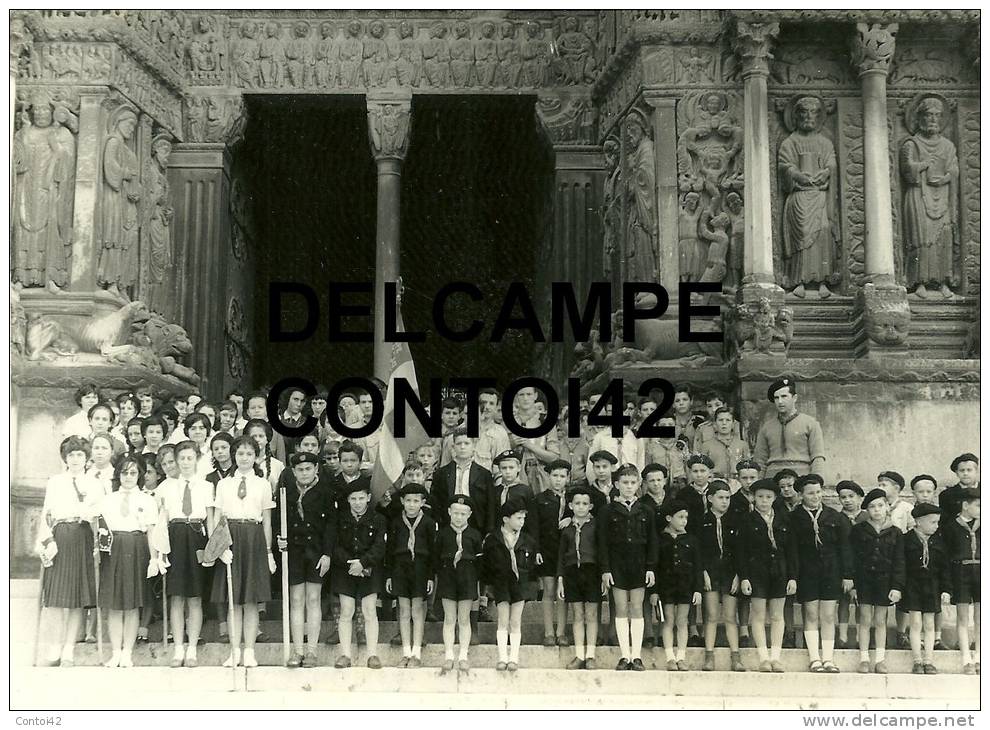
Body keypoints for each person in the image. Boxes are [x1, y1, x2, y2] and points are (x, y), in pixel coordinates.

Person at [36, 436, 107, 666]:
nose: (75, 459)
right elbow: (46, 513)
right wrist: (47, 541)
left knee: (77, 597)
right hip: (60, 534)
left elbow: (99, 514)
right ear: (65, 458)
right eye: (71, 455)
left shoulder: (95, 483)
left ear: (86, 459)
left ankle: (68, 649)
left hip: (83, 535)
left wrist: (97, 542)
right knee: (57, 598)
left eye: (79, 455)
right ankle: (55, 647)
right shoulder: (56, 482)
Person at [211, 435, 276, 669]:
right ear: (233, 456)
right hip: (231, 537)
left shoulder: (263, 484)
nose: (245, 458)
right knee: (233, 599)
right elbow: (218, 519)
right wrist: (220, 547)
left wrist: (268, 552)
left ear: (256, 456)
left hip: (254, 537)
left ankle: (249, 651)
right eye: (240, 454)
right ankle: (234, 651)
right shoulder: (223, 484)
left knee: (250, 600)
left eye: (249, 454)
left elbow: (267, 521)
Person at [97, 455, 163, 668]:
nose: (128, 477)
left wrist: (154, 558)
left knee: (133, 604)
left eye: (133, 473)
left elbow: (151, 530)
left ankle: (127, 652)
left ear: (140, 476)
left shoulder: (147, 500)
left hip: (136, 548)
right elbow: (100, 528)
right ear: (118, 475)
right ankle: (116, 652)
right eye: (124, 473)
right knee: (115, 604)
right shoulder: (108, 499)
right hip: (114, 550)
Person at [275, 452, 335, 668]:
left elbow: (331, 526)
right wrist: (279, 541)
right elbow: (277, 523)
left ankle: (312, 651)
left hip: (316, 553)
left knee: (313, 599)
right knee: (296, 600)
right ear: (293, 472)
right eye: (300, 469)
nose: (304, 473)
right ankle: (297, 651)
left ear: (316, 469)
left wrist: (327, 554)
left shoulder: (326, 493)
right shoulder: (285, 492)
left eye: (308, 468)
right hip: (294, 553)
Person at [158, 440, 214, 668]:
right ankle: (178, 648)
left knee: (195, 596)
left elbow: (210, 519)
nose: (186, 462)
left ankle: (192, 649)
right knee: (177, 595)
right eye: (181, 458)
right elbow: (161, 522)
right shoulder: (166, 487)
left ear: (197, 459)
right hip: (175, 536)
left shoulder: (206, 486)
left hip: (197, 536)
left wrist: (211, 548)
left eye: (190, 458)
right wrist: (161, 551)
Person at [790, 473, 852, 673]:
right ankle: (814, 658)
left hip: (830, 572)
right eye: (810, 493)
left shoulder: (835, 517)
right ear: (800, 494)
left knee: (827, 615)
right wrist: (794, 576)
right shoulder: (794, 517)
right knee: (810, 615)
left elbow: (845, 547)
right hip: (807, 573)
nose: (816, 496)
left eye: (818, 492)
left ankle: (828, 658)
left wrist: (847, 575)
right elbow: (791, 550)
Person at [598, 463, 658, 671]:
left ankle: (637, 656)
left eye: (633, 482)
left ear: (639, 484)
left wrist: (650, 567)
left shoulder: (646, 511)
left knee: (637, 608)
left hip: (639, 566)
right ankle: (625, 656)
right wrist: (605, 569)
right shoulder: (607, 511)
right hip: (617, 566)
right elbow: (603, 543)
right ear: (617, 484)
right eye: (625, 482)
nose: (629, 486)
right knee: (621, 608)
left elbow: (652, 541)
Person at [738, 478, 798, 673]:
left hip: (779, 572)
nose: (764, 501)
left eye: (768, 497)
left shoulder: (784, 519)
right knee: (758, 614)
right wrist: (744, 577)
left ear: (775, 498)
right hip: (757, 572)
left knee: (777, 615)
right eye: (760, 497)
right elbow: (742, 552)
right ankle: (763, 657)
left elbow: (791, 551)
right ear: (753, 498)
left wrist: (792, 577)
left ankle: (776, 657)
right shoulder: (747, 520)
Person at [850, 488, 905, 675]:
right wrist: (854, 585)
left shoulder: (896, 532)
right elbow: (853, 559)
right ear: (867, 510)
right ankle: (864, 658)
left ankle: (880, 659)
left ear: (887, 507)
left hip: (885, 582)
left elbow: (899, 561)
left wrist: (896, 586)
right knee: (865, 618)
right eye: (872, 507)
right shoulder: (858, 530)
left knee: (881, 620)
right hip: (864, 581)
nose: (876, 510)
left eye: (880, 505)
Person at [332, 479, 386, 669]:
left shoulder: (378, 519)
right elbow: (335, 545)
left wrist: (363, 563)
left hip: (369, 569)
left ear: (368, 498)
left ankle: (372, 655)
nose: (357, 502)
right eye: (353, 498)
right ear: (348, 499)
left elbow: (380, 546)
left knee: (370, 610)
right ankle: (345, 654)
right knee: (346, 611)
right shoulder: (340, 518)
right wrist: (351, 564)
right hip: (345, 569)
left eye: (361, 498)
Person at [483, 499, 538, 671]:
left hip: (519, 585)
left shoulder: (527, 540)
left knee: (515, 621)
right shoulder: (493, 539)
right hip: (501, 584)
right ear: (506, 519)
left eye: (523, 519)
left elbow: (531, 567)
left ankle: (513, 658)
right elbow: (487, 565)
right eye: (518, 518)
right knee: (503, 620)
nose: (522, 522)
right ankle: (502, 657)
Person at [385, 483, 436, 668]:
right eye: (408, 501)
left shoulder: (429, 523)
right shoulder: (396, 522)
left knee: (417, 610)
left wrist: (430, 576)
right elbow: (389, 550)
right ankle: (406, 652)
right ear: (402, 501)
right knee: (404, 610)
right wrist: (390, 575)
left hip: (421, 569)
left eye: (416, 501)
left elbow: (433, 552)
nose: (412, 505)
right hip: (400, 568)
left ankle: (417, 653)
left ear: (423, 502)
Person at [698, 480, 745, 672]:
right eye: (720, 498)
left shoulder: (735, 521)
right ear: (710, 499)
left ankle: (736, 657)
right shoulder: (701, 521)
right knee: (711, 615)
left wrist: (738, 575)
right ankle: (709, 656)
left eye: (727, 498)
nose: (725, 502)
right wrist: (703, 573)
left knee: (730, 616)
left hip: (729, 573)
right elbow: (698, 551)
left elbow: (740, 552)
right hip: (710, 572)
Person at [434, 494, 483, 672]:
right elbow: (436, 560)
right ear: (449, 512)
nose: (459, 517)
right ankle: (448, 655)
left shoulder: (475, 535)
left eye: (463, 514)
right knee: (449, 618)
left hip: (467, 578)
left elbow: (480, 563)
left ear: (469, 514)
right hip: (448, 578)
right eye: (455, 513)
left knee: (464, 619)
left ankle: (463, 655)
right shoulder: (442, 534)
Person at [556, 485, 602, 670]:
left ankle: (590, 655)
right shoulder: (566, 528)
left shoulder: (596, 525)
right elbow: (561, 556)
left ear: (590, 506)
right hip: (572, 573)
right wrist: (560, 579)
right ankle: (579, 655)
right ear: (571, 505)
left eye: (585, 503)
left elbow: (601, 552)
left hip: (592, 572)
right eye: (577, 503)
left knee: (591, 614)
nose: (581, 507)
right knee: (577, 614)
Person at [655, 499, 703, 672]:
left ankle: (681, 657)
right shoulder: (660, 539)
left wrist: (698, 589)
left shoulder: (691, 539)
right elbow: (655, 566)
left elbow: (698, 566)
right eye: (680, 517)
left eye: (686, 517)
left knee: (682, 621)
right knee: (668, 620)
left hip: (685, 585)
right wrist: (654, 591)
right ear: (669, 518)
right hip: (666, 586)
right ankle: (669, 657)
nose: (684, 521)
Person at [903, 502, 950, 675]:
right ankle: (917, 661)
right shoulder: (906, 540)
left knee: (929, 624)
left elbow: (945, 568)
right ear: (919, 521)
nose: (936, 526)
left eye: (938, 522)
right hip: (913, 586)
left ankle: (928, 661)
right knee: (915, 623)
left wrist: (946, 589)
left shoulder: (938, 541)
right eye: (933, 522)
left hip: (932, 587)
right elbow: (901, 565)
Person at [753, 378, 826, 478]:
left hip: (801, 477)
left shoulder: (810, 423)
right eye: (776, 398)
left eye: (784, 396)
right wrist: (759, 485)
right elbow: (759, 461)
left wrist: (816, 480)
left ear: (794, 398)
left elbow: (817, 457)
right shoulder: (766, 427)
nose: (780, 401)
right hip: (772, 479)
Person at [941, 490, 980, 674]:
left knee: (980, 618)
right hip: (960, 573)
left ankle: (979, 656)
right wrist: (947, 585)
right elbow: (946, 557)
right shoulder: (950, 527)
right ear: (965, 505)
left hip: (981, 572)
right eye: (978, 505)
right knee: (963, 617)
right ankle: (966, 659)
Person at [430, 429, 496, 537]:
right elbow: (436, 501)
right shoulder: (441, 473)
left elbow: (490, 504)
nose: (462, 447)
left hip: (475, 522)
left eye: (466, 443)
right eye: (459, 443)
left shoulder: (484, 474)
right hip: (448, 521)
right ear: (453, 447)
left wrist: (489, 529)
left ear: (473, 446)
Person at [534, 459, 570, 647]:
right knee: (548, 590)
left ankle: (561, 632)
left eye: (562, 476)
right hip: (547, 550)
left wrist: (570, 517)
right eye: (554, 476)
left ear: (568, 478)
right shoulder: (540, 499)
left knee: (562, 592)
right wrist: (537, 550)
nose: (558, 480)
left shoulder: (573, 499)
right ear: (548, 477)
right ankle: (549, 632)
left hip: (567, 552)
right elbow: (535, 528)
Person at [835, 480, 866, 648]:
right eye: (843, 497)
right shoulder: (837, 518)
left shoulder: (867, 517)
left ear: (860, 498)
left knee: (862, 602)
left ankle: (863, 637)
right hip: (843, 567)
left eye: (851, 496)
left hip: (864, 567)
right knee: (844, 600)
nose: (847, 500)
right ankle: (843, 637)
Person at [698, 407, 750, 479]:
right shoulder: (706, 445)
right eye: (720, 420)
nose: (724, 423)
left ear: (733, 424)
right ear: (715, 424)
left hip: (737, 483)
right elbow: (702, 469)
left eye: (728, 420)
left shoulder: (742, 445)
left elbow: (747, 469)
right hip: (715, 483)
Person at [244, 419, 285, 491]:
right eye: (253, 436)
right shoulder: (242, 463)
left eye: (261, 436)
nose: (257, 439)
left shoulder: (278, 465)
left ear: (267, 439)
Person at [939, 453, 981, 519]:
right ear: (957, 473)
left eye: (969, 470)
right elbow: (944, 521)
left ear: (976, 471)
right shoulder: (947, 495)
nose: (965, 473)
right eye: (962, 470)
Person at [682, 454, 714, 532]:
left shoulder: (715, 490)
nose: (699, 475)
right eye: (695, 471)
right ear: (690, 472)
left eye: (702, 471)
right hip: (692, 532)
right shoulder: (684, 493)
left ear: (709, 472)